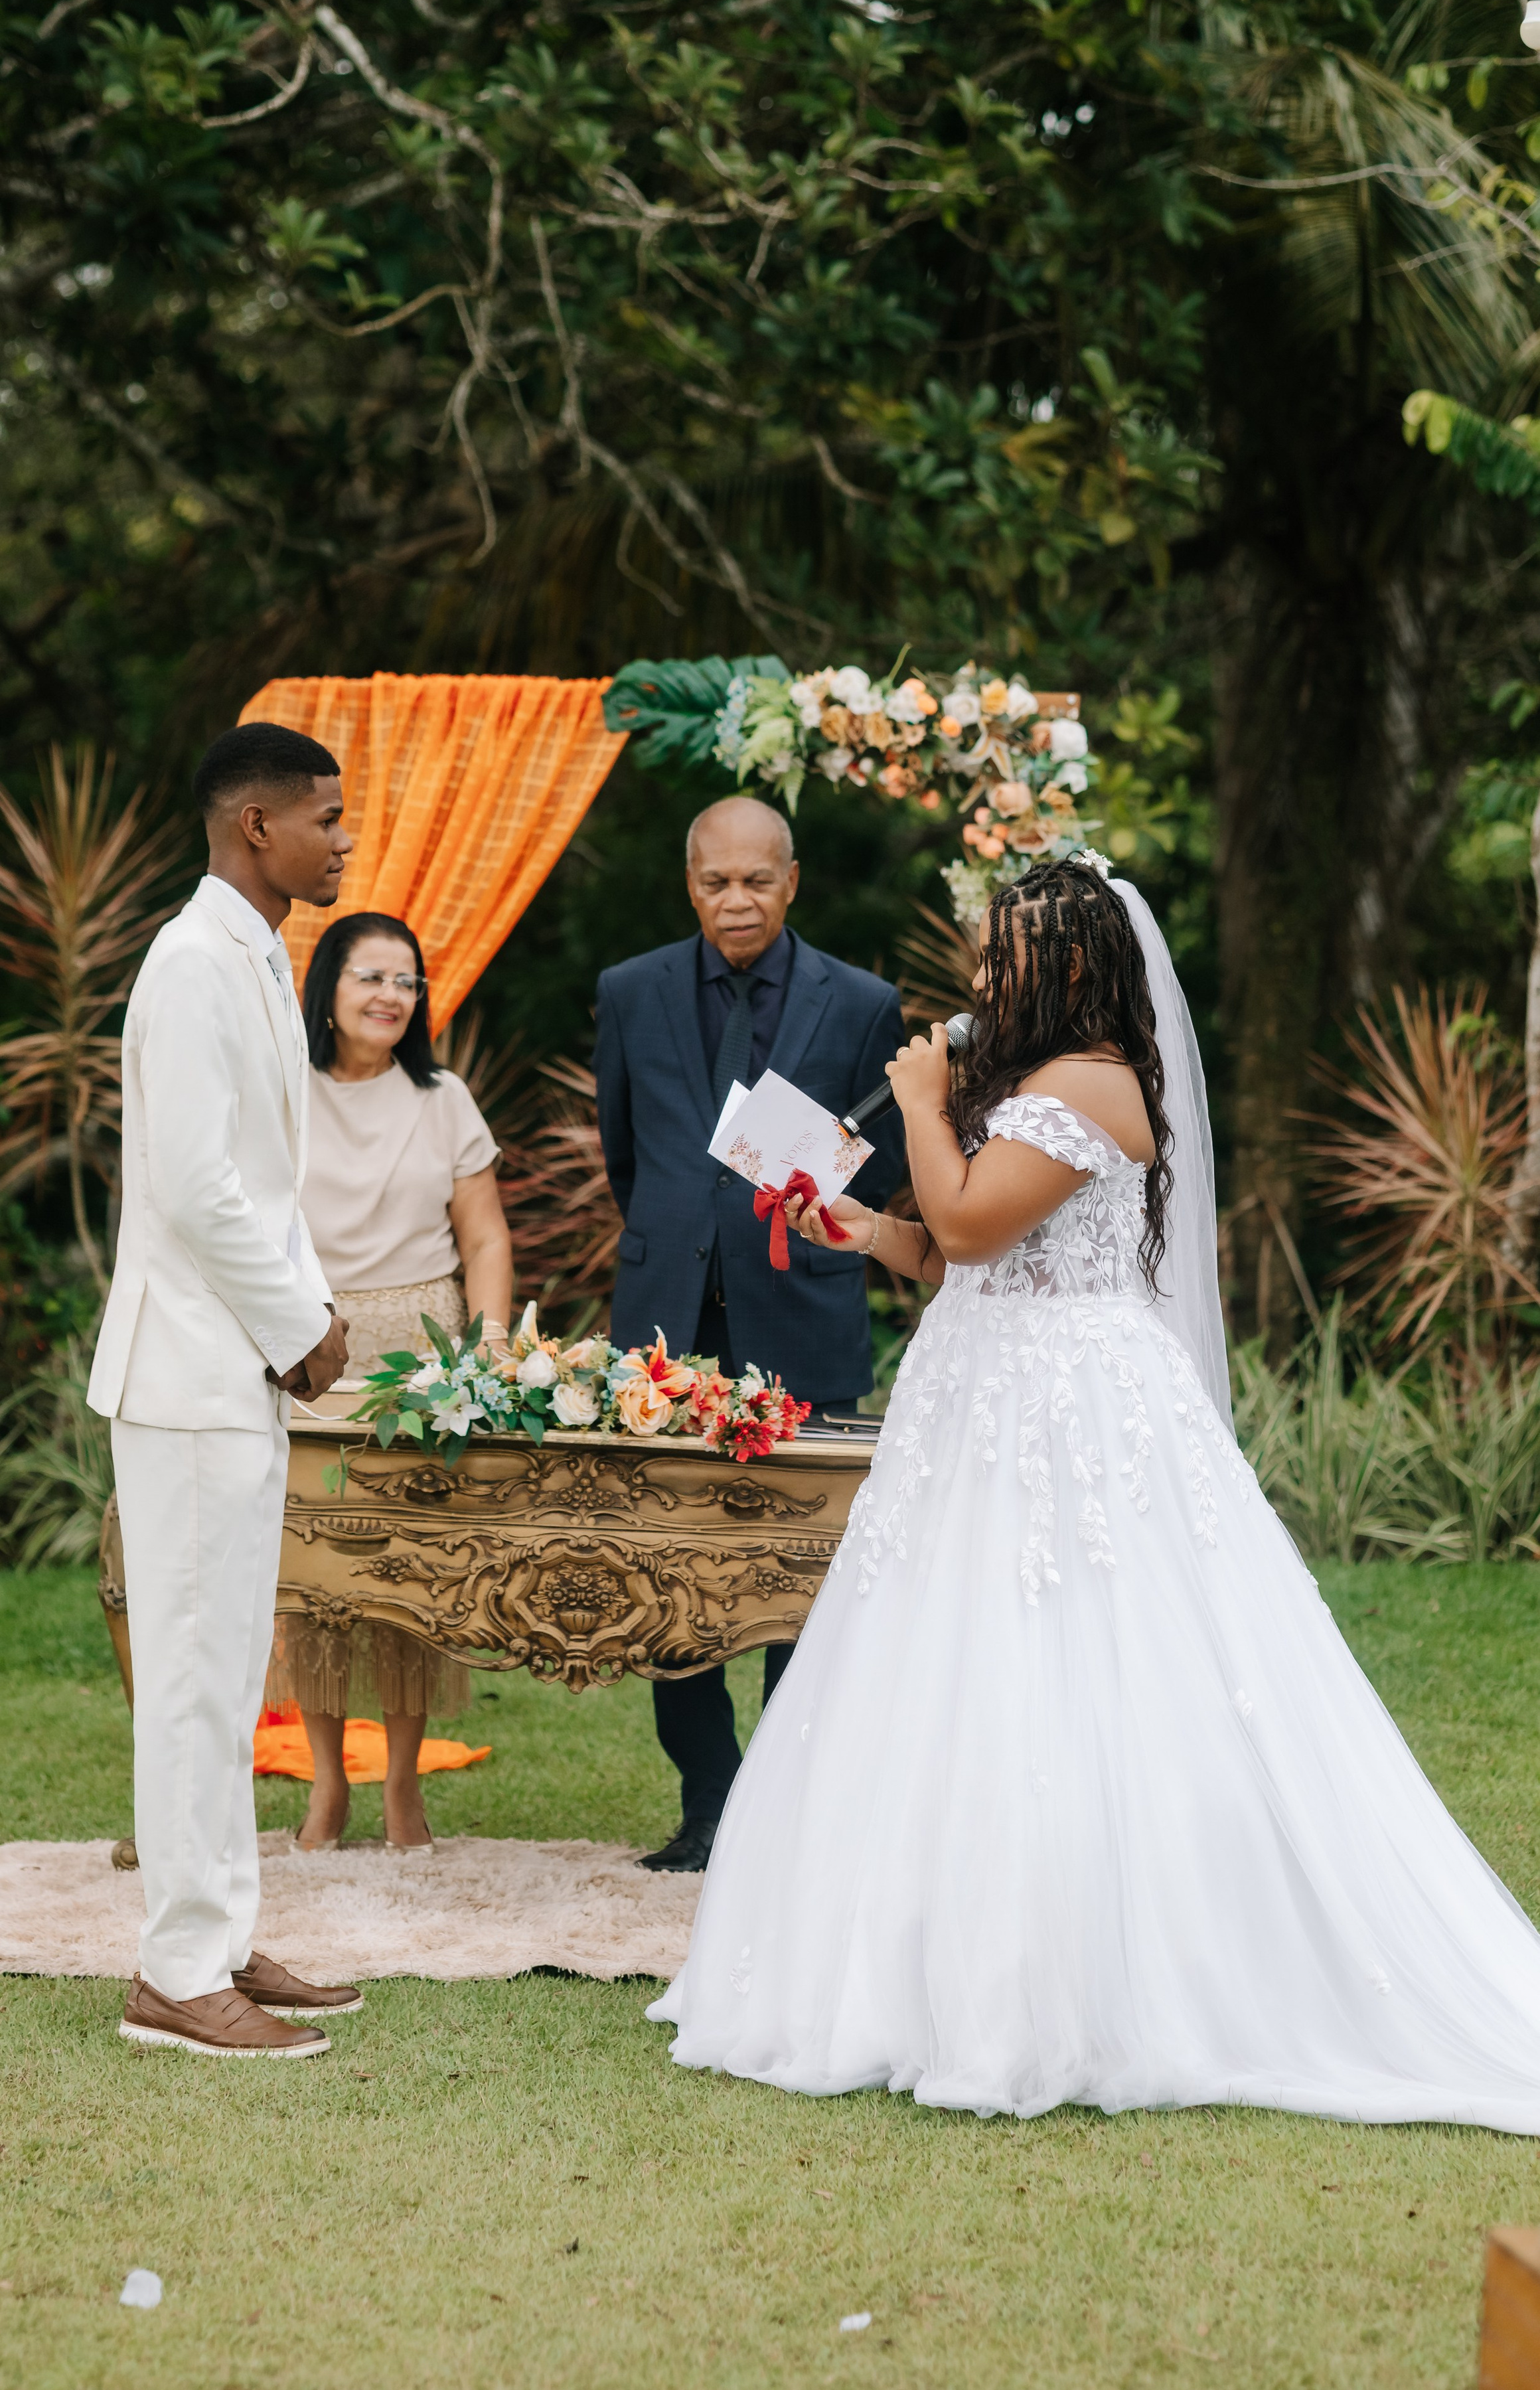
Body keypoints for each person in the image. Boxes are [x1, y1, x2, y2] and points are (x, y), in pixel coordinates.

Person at [649, 856, 1540, 2132]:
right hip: (986, 1391)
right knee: (952, 1659)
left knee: (1081, 1652)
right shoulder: (1034, 1083)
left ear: (1073, 966)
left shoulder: (1092, 1081)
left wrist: (915, 1102)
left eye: (1006, 953)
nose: (982, 975)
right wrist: (863, 1230)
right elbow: (953, 1253)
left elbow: (963, 1222)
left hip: (1068, 1412)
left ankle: (1098, 1972)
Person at [88, 722, 364, 2060]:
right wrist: (301, 1325)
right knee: (195, 1680)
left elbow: (257, 1179)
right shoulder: (193, 963)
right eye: (326, 815)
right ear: (256, 826)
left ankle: (219, 1931)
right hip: (193, 1367)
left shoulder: (253, 951)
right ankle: (175, 1976)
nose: (343, 837)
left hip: (227, 1369)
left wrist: (300, 1320)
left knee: (225, 1672)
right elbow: (196, 1189)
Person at [593, 795, 907, 1873]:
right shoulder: (629, 992)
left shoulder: (863, 1003)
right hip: (667, 1330)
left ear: (793, 880)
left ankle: (786, 1808)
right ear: (691, 884)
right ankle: (708, 1803)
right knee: (672, 1566)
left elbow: (880, 1163)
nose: (738, 900)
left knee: (795, 1568)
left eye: (757, 880)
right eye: (717, 882)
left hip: (803, 1318)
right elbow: (626, 1157)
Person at [285, 908, 513, 1853]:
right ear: (329, 992)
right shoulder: (280, 1090)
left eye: (406, 981)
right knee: (315, 1585)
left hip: (427, 1361)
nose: (390, 995)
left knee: (413, 1583)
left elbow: (486, 1235)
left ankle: (405, 1791)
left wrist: (491, 1346)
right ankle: (329, 1787)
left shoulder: (443, 1096)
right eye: (371, 977)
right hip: (306, 1352)